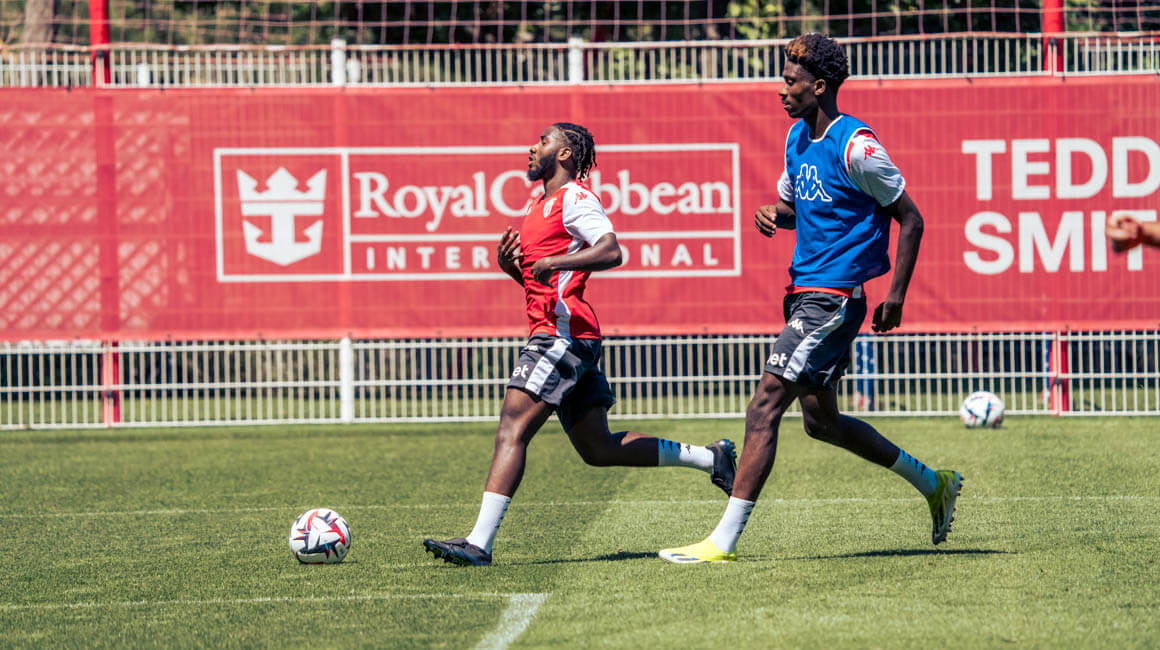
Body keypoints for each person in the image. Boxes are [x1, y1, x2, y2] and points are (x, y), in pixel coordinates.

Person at [659, 34, 962, 564]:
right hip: (803, 292)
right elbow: (802, 209)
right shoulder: (796, 137)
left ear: (819, 86)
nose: (781, 90)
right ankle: (933, 483)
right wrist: (773, 214)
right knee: (822, 423)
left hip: (834, 298)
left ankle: (721, 542)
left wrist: (895, 296)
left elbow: (911, 218)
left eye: (790, 81)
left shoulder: (857, 146)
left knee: (764, 404)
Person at [423, 123, 737, 566]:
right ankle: (711, 457)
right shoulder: (538, 205)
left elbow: (611, 250)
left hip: (561, 336)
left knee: (512, 426)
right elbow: (541, 283)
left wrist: (556, 260)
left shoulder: (575, 197)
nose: (533, 147)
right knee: (598, 449)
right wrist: (512, 268)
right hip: (570, 335)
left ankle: (479, 543)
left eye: (543, 141)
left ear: (566, 154)